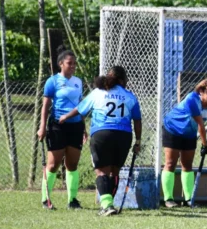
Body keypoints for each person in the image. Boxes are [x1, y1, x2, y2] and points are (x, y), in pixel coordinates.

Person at [59, 66, 142, 216]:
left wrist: (66, 116)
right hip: (124, 136)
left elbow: (80, 109)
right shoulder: (130, 96)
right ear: (122, 80)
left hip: (102, 134)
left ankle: (107, 206)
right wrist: (138, 141)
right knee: (115, 171)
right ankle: (109, 204)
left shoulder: (98, 92)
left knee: (101, 172)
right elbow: (137, 120)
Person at [37, 49, 86, 210]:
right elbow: (45, 106)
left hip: (76, 126)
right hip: (57, 126)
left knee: (72, 164)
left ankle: (72, 200)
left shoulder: (78, 82)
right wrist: (42, 127)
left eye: (74, 63)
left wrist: (84, 127)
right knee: (53, 164)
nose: (73, 66)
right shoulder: (52, 81)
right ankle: (46, 199)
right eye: (69, 63)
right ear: (61, 64)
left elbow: (80, 106)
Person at [161, 78, 207, 208]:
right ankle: (168, 199)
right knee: (170, 163)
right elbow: (200, 124)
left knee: (187, 164)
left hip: (189, 133)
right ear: (201, 92)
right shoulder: (191, 99)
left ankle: (189, 199)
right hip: (172, 129)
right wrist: (204, 145)